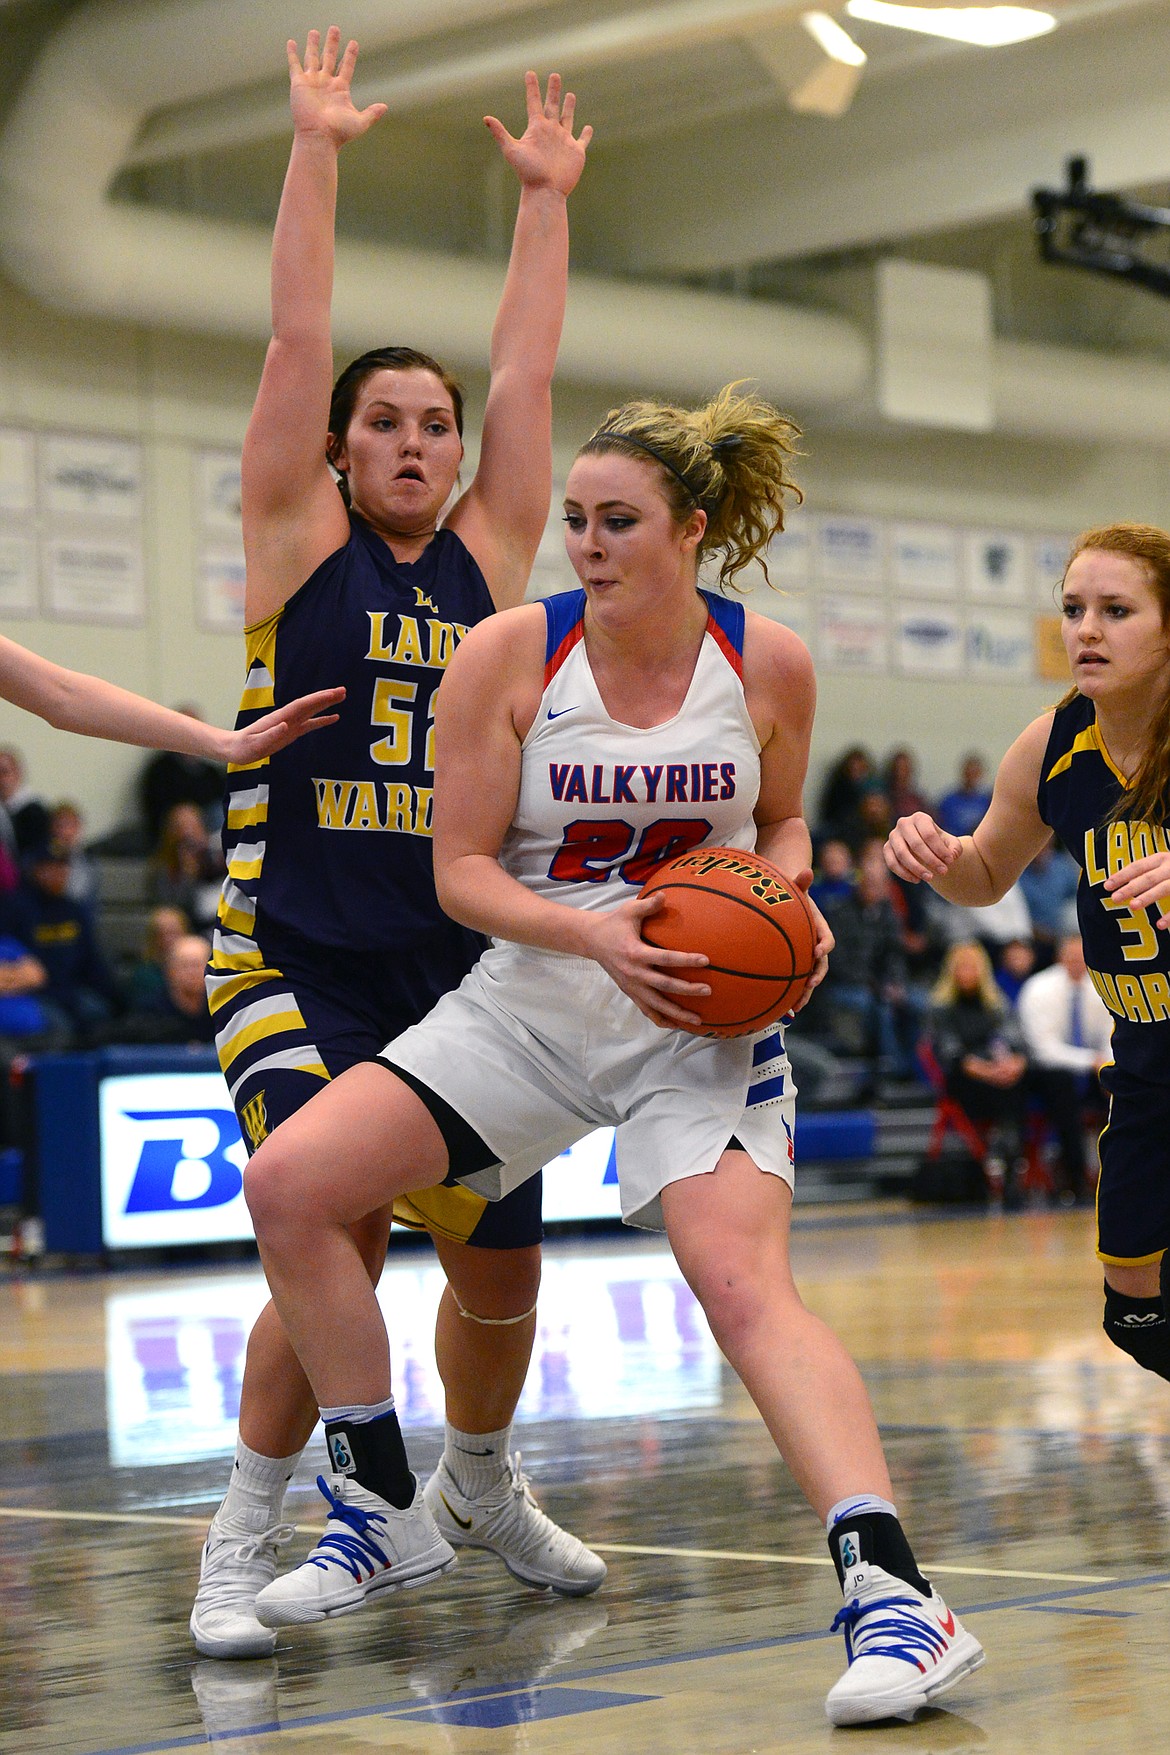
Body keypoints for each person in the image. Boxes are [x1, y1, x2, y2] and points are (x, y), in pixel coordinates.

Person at [240, 385, 984, 1726]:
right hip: (533, 992)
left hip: (698, 1015)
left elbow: (784, 823)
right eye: (574, 519)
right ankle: (380, 1496)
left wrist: (796, 904)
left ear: (690, 528)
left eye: (618, 520)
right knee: (295, 1181)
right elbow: (460, 870)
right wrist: (596, 940)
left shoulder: (767, 662)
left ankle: (896, 1597)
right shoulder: (511, 653)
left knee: (739, 1286)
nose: (586, 541)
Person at [189, 31, 601, 1661]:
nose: (420, 441)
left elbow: (531, 379)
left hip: (464, 966)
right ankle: (253, 1535)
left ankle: (480, 1484)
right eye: (388, 423)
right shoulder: (300, 546)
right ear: (344, 452)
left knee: (501, 1281)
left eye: (434, 423)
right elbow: (298, 330)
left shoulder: (492, 557)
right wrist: (315, 147)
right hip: (290, 951)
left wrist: (547, 205)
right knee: (329, 1214)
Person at [885, 522, 1170, 1386]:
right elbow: (983, 874)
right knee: (1135, 1313)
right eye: (1075, 608)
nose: (1086, 628)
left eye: (1116, 610)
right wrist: (939, 857)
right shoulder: (1052, 743)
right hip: (1148, 1058)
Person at [924, 941, 1030, 1200]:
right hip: (964, 1079)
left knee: (1023, 1082)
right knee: (1004, 1091)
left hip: (998, 1073)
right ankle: (1007, 1160)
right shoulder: (940, 1008)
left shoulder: (996, 1004)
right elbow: (951, 1054)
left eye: (972, 967)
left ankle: (1011, 1158)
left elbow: (1015, 1040)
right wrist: (988, 1071)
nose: (967, 973)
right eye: (962, 967)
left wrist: (1016, 1062)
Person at [1017, 931, 1112, 1203]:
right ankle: (1076, 1178)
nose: (1077, 962)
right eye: (1071, 956)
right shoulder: (1039, 989)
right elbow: (1044, 1050)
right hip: (1044, 1074)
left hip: (1093, 1071)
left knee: (1122, 1081)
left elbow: (1114, 1035)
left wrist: (1105, 1064)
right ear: (1060, 957)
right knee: (1061, 1085)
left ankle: (1119, 1173)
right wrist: (1091, 1061)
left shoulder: (1102, 986)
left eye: (1083, 956)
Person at [138, 706, 228, 846]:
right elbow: (158, 811)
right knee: (186, 817)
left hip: (213, 831)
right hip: (175, 833)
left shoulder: (211, 771)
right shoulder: (160, 769)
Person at [935, 753, 992, 840]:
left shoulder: (987, 801)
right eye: (969, 772)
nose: (971, 776)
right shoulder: (948, 801)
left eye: (975, 773)